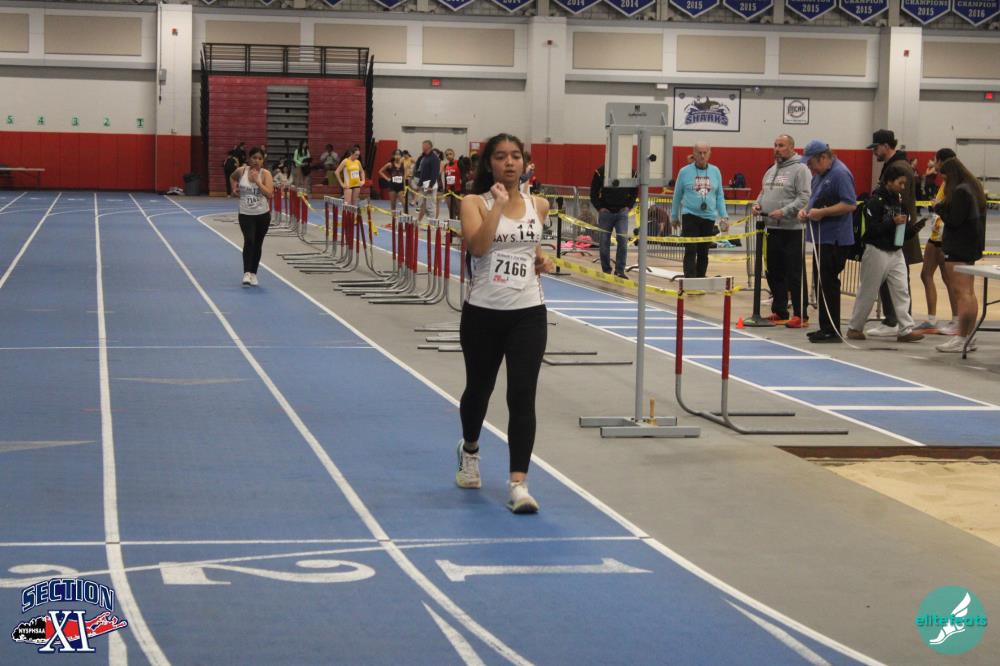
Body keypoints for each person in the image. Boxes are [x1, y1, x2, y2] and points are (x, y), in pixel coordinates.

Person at [456, 132, 554, 514]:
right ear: (489, 163)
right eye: (501, 156)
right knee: (479, 390)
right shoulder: (473, 203)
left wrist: (543, 261)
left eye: (516, 156)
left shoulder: (539, 204)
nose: (510, 162)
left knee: (522, 395)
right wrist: (497, 204)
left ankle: (518, 484)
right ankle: (470, 450)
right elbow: (478, 247)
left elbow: (531, 251)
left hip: (528, 312)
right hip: (483, 312)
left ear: (525, 163)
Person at [845, 163, 924, 343]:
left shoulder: (899, 201)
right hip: (876, 250)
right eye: (900, 183)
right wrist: (893, 222)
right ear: (889, 181)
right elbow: (871, 230)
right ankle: (855, 327)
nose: (902, 187)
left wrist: (912, 230)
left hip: (895, 251)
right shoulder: (875, 201)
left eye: (904, 184)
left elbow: (900, 232)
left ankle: (905, 329)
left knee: (902, 290)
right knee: (868, 291)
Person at [798, 141, 856, 343]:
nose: (810, 167)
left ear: (823, 158)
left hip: (835, 239)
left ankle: (832, 329)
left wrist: (822, 213)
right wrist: (805, 211)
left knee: (829, 283)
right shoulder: (820, 176)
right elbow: (814, 199)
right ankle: (825, 326)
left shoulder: (840, 174)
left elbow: (849, 204)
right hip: (822, 238)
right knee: (821, 283)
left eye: (811, 163)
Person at [866, 130, 922, 338]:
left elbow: (899, 203)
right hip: (894, 230)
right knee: (893, 279)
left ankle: (895, 321)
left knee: (897, 281)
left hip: (896, 232)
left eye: (876, 148)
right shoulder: (894, 165)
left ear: (886, 146)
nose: (874, 152)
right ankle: (895, 320)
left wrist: (896, 230)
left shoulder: (899, 168)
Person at [752, 134, 812, 328]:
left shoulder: (801, 169)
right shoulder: (771, 170)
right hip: (771, 228)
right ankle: (780, 310)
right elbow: (763, 192)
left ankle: (800, 314)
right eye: (775, 145)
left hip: (792, 229)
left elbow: (805, 197)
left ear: (792, 148)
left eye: (781, 145)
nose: (777, 149)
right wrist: (757, 204)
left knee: (794, 273)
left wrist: (785, 211)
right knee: (774, 271)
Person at [934, 157, 988, 353]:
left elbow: (954, 220)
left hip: (958, 247)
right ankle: (968, 337)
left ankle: (961, 337)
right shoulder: (973, 188)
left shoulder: (960, 192)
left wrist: (939, 207)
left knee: (962, 294)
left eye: (945, 178)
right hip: (970, 247)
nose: (944, 183)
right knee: (969, 293)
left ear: (952, 175)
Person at [914, 148, 959, 335]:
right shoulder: (945, 182)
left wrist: (937, 206)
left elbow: (951, 210)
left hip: (943, 237)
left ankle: (957, 321)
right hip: (935, 236)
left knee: (949, 280)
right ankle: (932, 320)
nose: (934, 164)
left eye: (935, 161)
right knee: (926, 274)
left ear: (942, 162)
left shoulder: (954, 184)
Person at [671, 142, 728, 278]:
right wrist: (674, 216)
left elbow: (720, 195)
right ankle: (690, 279)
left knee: (703, 251)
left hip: (709, 217)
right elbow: (677, 195)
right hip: (690, 215)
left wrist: (724, 216)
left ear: (709, 154)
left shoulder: (715, 171)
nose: (702, 156)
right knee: (690, 250)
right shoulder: (684, 172)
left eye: (705, 153)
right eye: (699, 153)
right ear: (694, 154)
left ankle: (701, 278)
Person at [228, 146, 273, 287]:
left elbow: (269, 194)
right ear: (249, 159)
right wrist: (233, 189)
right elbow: (232, 177)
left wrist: (258, 182)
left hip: (262, 214)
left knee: (258, 243)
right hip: (246, 214)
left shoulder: (266, 174)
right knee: (249, 240)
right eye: (254, 158)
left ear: (263, 161)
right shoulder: (241, 171)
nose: (256, 161)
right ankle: (246, 272)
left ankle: (254, 273)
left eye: (260, 158)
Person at [589, 164, 637, 277]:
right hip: (606, 213)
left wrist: (628, 206)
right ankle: (606, 271)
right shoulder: (600, 172)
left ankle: (620, 271)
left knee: (623, 241)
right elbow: (593, 193)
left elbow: (634, 192)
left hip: (622, 213)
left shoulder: (631, 173)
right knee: (604, 242)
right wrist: (600, 208)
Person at [416, 140, 441, 223]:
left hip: (430, 185)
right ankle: (429, 223)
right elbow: (422, 172)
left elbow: (435, 173)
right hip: (424, 184)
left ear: (429, 146)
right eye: (422, 145)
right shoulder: (425, 158)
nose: (422, 147)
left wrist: (431, 185)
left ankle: (432, 225)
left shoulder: (434, 158)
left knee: (430, 206)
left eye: (424, 145)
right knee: (423, 205)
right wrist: (419, 184)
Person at [377, 149, 406, 214]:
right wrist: (387, 179)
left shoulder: (403, 165)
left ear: (401, 156)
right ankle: (393, 219)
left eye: (399, 154)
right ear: (393, 156)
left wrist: (404, 186)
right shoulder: (390, 164)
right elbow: (380, 171)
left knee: (404, 204)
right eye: (396, 154)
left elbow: (404, 176)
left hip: (400, 187)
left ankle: (406, 218)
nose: (397, 156)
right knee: (393, 205)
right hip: (392, 186)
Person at [442, 148, 463, 219]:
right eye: (447, 155)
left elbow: (463, 176)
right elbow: (445, 179)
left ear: (453, 154)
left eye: (450, 154)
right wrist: (445, 191)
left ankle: (459, 224)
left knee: (459, 210)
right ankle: (452, 224)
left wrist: (463, 191)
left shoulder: (459, 163)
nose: (449, 156)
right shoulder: (446, 166)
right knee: (451, 210)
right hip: (448, 191)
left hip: (457, 190)